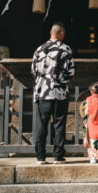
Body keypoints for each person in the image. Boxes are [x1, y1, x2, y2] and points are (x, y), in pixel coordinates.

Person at [31, 23, 75, 164]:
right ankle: (58, 156)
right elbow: (71, 72)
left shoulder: (39, 49)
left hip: (42, 92)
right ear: (61, 33)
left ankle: (40, 157)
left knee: (41, 124)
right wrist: (61, 80)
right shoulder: (65, 49)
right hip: (59, 92)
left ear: (51, 32)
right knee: (59, 124)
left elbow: (33, 71)